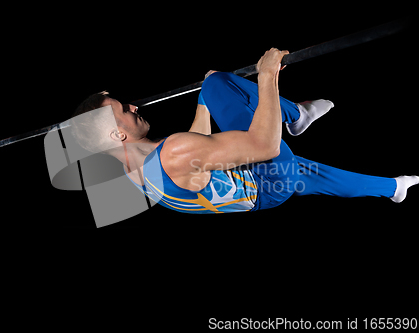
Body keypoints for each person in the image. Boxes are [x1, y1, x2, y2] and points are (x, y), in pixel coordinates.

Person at [70, 48, 418, 214]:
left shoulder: (134, 167)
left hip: (256, 193)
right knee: (221, 83)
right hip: (265, 179)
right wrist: (268, 75)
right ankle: (296, 114)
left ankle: (393, 188)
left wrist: (205, 100)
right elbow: (264, 146)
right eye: (122, 110)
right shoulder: (173, 152)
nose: (132, 106)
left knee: (309, 173)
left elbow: (197, 145)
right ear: (117, 135)